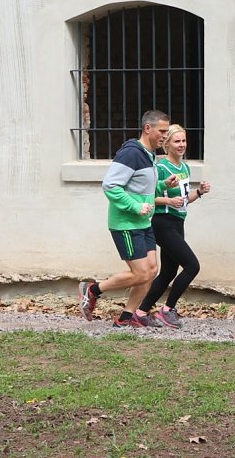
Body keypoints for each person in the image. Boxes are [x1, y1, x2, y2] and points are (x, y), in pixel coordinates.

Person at [78, 110, 178, 328]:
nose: (165, 136)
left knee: (151, 271)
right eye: (162, 131)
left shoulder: (150, 154)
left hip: (143, 221)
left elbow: (140, 188)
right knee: (141, 273)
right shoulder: (131, 153)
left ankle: (126, 317)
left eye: (167, 131)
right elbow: (111, 185)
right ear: (147, 128)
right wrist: (135, 206)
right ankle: (93, 290)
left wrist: (162, 186)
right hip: (125, 223)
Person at [136, 124, 210, 328]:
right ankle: (167, 310)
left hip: (178, 223)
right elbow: (148, 198)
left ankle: (141, 312)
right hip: (162, 223)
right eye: (177, 141)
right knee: (192, 266)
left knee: (168, 272)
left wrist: (200, 192)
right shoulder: (160, 168)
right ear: (166, 144)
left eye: (184, 141)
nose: (182, 145)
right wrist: (168, 201)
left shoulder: (184, 168)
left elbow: (184, 200)